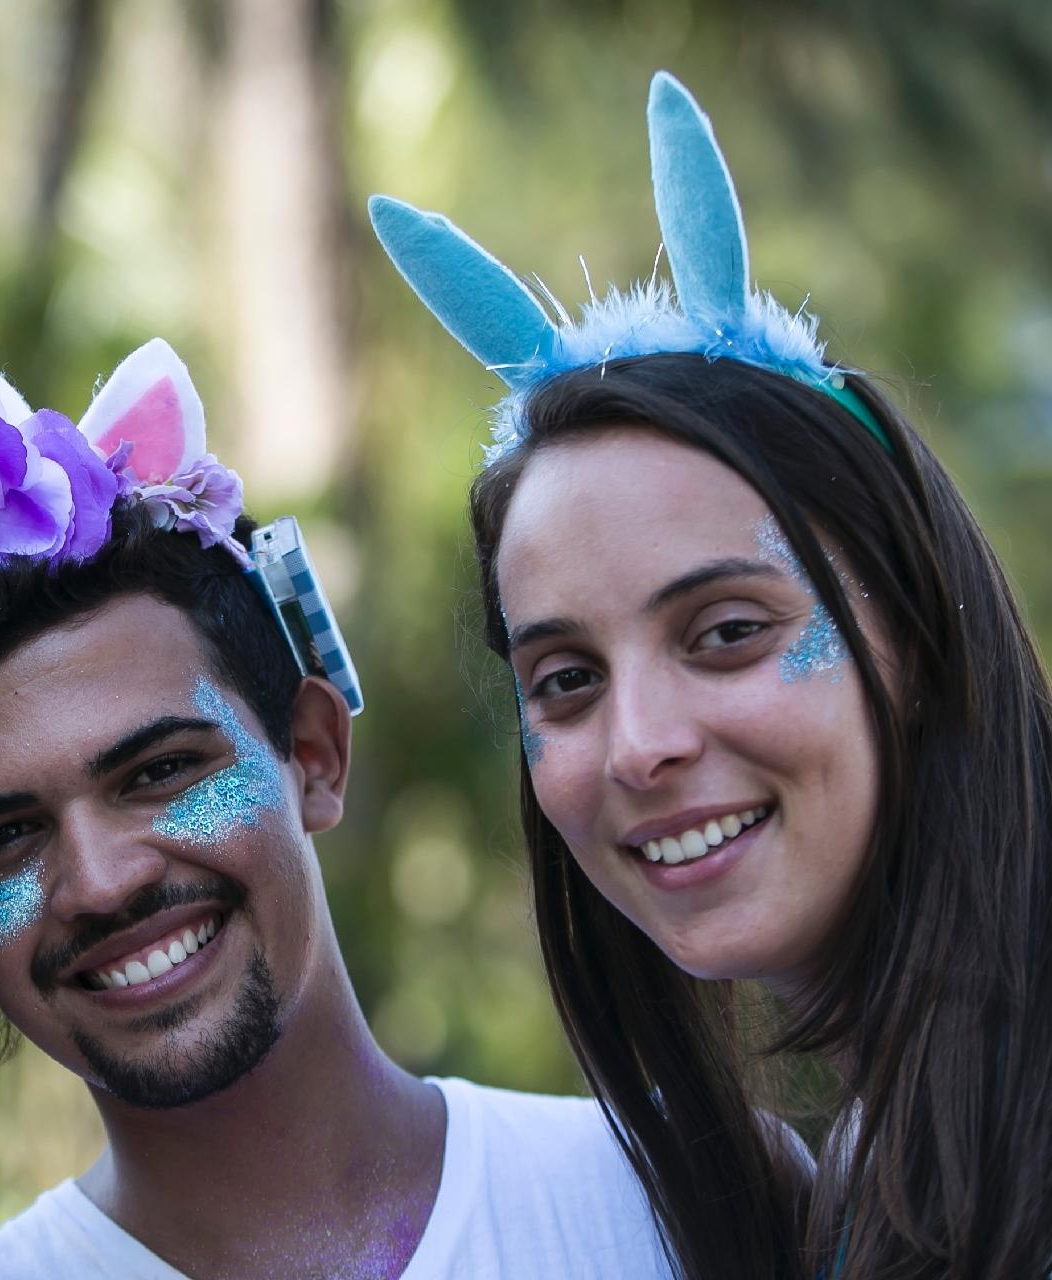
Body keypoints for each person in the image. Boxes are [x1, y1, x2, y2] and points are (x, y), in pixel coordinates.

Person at [0, 55, 676, 1278]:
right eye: (1, 839)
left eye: (161, 770)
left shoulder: (680, 1206)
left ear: (316, 752)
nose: (104, 878)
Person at [371, 73, 1052, 1278]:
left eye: (727, 631)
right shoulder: (854, 1182)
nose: (638, 743)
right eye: (567, 678)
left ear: (915, 625)